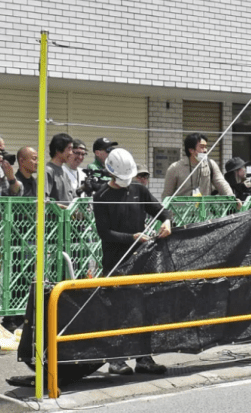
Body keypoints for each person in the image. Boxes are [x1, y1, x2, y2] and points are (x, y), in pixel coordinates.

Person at [93, 148, 171, 375]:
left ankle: (144, 358)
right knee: (118, 311)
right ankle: (116, 360)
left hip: (141, 260)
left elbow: (161, 211)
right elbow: (104, 232)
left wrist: (166, 222)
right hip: (115, 261)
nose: (126, 182)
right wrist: (132, 238)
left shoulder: (139, 190)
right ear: (110, 174)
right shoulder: (101, 196)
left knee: (144, 308)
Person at [0, 146, 39, 332]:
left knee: (29, 277)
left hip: (33, 235)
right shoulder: (16, 181)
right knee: (17, 275)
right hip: (17, 235)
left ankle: (24, 315)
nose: (36, 162)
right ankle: (11, 318)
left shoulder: (36, 182)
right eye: (33, 158)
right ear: (22, 161)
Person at [162, 133, 233, 200]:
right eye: (202, 147)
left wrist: (232, 198)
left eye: (206, 147)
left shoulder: (210, 164)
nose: (205, 150)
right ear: (191, 150)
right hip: (181, 212)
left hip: (204, 211)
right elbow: (167, 195)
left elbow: (221, 183)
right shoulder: (175, 168)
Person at [46, 133, 75, 204]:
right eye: (69, 149)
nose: (71, 153)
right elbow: (45, 201)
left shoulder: (64, 171)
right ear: (58, 149)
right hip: (56, 215)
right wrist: (65, 208)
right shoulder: (47, 171)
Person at [0, 131, 23, 196]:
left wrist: (11, 178)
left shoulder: (1, 170)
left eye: (2, 151)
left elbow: (16, 194)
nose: (1, 155)